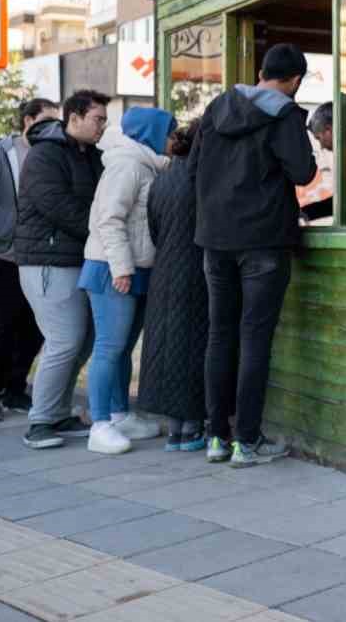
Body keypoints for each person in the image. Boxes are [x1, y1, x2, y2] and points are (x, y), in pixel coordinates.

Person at [190, 43, 317, 466]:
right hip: (263, 239)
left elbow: (192, 170)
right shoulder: (284, 115)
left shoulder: (217, 108)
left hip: (214, 240)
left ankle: (216, 437)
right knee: (254, 338)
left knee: (219, 335)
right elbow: (303, 172)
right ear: (294, 81)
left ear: (261, 72)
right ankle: (246, 442)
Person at [14, 89, 108, 449]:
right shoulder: (45, 155)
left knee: (82, 341)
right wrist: (101, 230)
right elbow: (57, 205)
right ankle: (39, 421)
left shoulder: (91, 155)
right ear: (74, 118)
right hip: (47, 261)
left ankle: (58, 412)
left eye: (104, 120)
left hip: (75, 259)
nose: (102, 126)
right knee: (64, 339)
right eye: (97, 119)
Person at [79, 107, 175, 455]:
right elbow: (110, 219)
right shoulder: (127, 165)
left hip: (134, 268)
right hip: (112, 269)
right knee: (109, 347)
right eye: (169, 133)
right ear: (152, 134)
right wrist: (121, 268)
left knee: (121, 348)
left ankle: (119, 415)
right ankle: (100, 425)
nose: (172, 140)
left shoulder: (146, 165)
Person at [0, 99, 54, 423]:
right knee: (0, 327)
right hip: (4, 255)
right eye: (46, 120)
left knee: (34, 328)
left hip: (42, 256)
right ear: (28, 120)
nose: (53, 128)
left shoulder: (54, 152)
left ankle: (16, 388)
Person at [139, 121, 207, 451]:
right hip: (196, 269)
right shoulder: (203, 179)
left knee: (167, 348)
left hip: (163, 269)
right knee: (194, 345)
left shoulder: (162, 179)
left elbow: (154, 228)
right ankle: (192, 426)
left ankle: (175, 430)